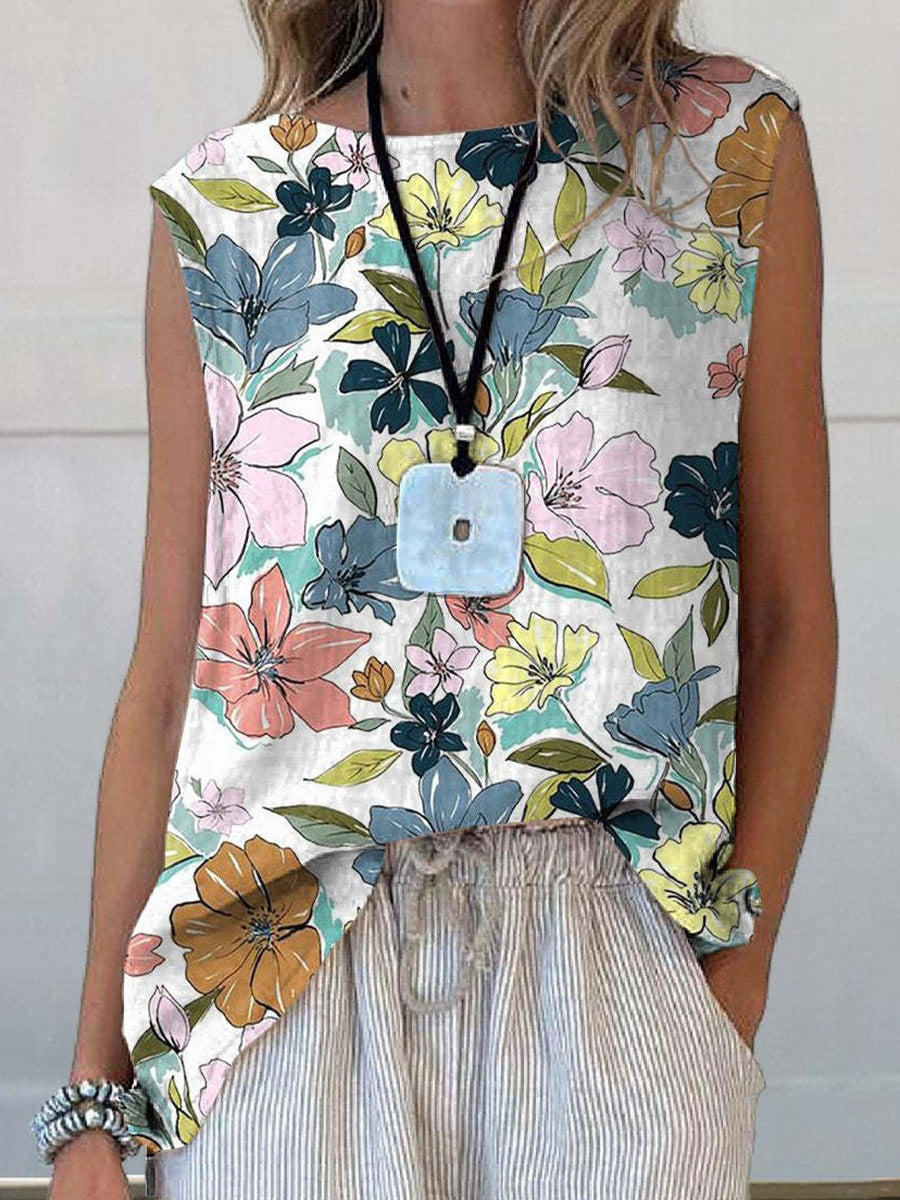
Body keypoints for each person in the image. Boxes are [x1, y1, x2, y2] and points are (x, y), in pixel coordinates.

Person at [40, 0, 836, 1196]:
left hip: (611, 962)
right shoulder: (229, 208)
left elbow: (788, 618)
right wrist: (93, 1099)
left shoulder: (722, 151)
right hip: (280, 978)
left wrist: (732, 988)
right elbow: (169, 679)